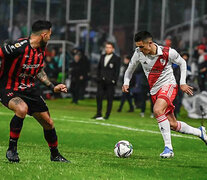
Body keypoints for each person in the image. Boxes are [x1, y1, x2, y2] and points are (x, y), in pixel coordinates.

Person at [122, 31, 207, 158]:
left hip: (169, 85)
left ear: (150, 43)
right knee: (172, 124)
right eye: (138, 46)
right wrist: (126, 82)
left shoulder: (168, 52)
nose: (139, 49)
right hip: (155, 90)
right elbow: (130, 69)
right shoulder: (138, 53)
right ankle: (200, 132)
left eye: (141, 46)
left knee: (157, 110)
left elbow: (182, 63)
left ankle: (169, 148)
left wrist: (182, 82)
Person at [0, 20, 69, 163]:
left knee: (48, 123)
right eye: (50, 34)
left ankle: (55, 155)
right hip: (9, 88)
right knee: (21, 109)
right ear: (43, 35)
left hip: (30, 90)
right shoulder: (19, 47)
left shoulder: (41, 48)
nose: (50, 37)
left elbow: (38, 69)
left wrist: (52, 87)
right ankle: (12, 149)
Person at [92, 42, 121, 120]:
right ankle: (98, 113)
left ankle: (107, 115)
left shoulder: (116, 58)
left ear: (113, 49)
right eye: (106, 47)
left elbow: (117, 71)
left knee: (109, 98)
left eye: (109, 47)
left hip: (110, 82)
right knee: (99, 97)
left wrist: (114, 80)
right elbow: (99, 68)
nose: (107, 49)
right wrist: (98, 77)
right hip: (101, 81)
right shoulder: (102, 56)